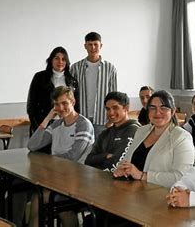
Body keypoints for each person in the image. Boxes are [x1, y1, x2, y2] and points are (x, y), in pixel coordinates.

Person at [27, 86, 95, 227]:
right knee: (35, 197)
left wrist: (49, 164)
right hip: (58, 176)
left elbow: (73, 157)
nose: (61, 108)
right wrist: (48, 118)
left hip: (79, 178)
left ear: (73, 102)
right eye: (57, 104)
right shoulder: (56, 124)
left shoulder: (83, 125)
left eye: (65, 103)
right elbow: (32, 146)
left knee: (41, 199)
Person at [113, 90, 195, 188]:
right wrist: (121, 169)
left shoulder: (182, 137)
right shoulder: (141, 131)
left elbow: (181, 177)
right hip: (132, 190)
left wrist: (141, 175)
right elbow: (126, 161)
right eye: (152, 108)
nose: (157, 112)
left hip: (161, 195)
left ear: (173, 111)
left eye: (163, 108)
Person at [71, 31, 117, 139]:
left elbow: (114, 96)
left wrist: (111, 120)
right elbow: (71, 95)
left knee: (101, 152)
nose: (93, 47)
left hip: (103, 119)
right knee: (82, 152)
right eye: (90, 44)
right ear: (85, 46)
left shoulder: (110, 68)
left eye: (96, 44)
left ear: (101, 45)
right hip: (81, 118)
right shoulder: (75, 68)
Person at [27, 46, 79, 136]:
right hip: (44, 125)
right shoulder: (39, 77)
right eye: (56, 58)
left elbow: (77, 107)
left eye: (63, 59)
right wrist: (39, 127)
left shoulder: (72, 81)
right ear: (51, 60)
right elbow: (31, 106)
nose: (60, 62)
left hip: (66, 127)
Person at [85, 91, 140, 172]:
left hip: (120, 181)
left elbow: (117, 165)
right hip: (100, 178)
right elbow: (88, 160)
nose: (111, 113)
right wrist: (105, 156)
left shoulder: (134, 130)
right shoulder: (105, 133)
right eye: (108, 109)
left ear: (126, 108)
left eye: (115, 108)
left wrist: (99, 159)